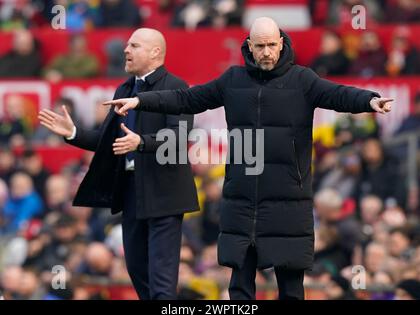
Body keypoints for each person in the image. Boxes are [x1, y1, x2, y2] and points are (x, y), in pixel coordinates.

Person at [105, 17, 393, 300]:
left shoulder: (303, 80)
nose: (266, 52)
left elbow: (338, 95)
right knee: (240, 287)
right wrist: (141, 100)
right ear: (249, 47)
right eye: (260, 46)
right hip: (242, 200)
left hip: (288, 200)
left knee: (291, 287)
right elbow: (186, 99)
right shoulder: (232, 79)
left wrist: (369, 100)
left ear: (281, 44)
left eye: (271, 45)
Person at [38, 28, 199, 300]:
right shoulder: (124, 88)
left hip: (165, 193)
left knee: (161, 275)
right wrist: (73, 133)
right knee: (137, 269)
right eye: (127, 45)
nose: (126, 50)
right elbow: (107, 139)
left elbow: (179, 136)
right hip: (131, 191)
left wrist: (141, 143)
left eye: (134, 46)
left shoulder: (176, 86)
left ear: (155, 52)